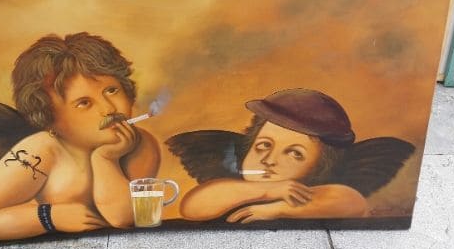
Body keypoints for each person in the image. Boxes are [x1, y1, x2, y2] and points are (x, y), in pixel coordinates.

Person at [0, 32, 163, 240]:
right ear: (50, 117)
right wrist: (50, 217)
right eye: (84, 103)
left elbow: (124, 218)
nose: (109, 109)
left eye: (112, 90)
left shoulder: (140, 145)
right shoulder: (40, 151)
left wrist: (106, 160)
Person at [169, 89, 415, 222]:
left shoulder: (317, 193)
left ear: (320, 167)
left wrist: (275, 210)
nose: (269, 159)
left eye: (294, 153)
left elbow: (350, 200)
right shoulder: (231, 187)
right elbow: (193, 206)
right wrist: (269, 190)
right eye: (263, 145)